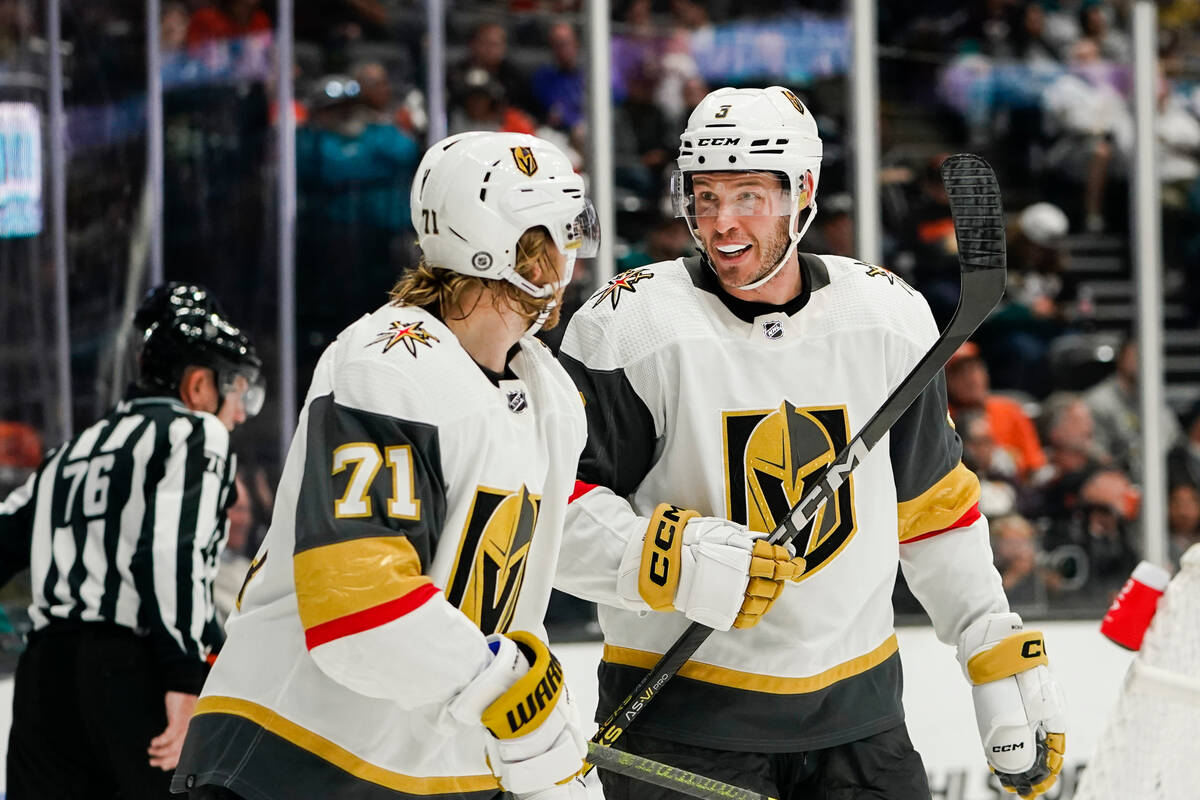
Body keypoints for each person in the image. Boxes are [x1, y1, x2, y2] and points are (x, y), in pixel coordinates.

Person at [555, 86, 1067, 800]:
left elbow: (931, 507)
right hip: (680, 722)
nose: (722, 223)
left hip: (859, 719)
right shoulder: (628, 327)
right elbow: (552, 511)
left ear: (804, 190)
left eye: (747, 197)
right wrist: (667, 558)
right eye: (705, 198)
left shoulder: (886, 317)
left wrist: (990, 646)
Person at [172, 132, 632, 800]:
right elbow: (361, 605)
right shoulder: (389, 365)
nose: (572, 259)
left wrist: (664, 555)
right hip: (291, 761)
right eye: (560, 233)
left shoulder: (546, 392)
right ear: (517, 249)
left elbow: (532, 550)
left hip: (420, 769)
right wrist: (513, 703)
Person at [0, 282, 263, 799]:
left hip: (42, 682)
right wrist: (186, 679)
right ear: (197, 386)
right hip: (130, 673)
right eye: (237, 391)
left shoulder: (71, 451)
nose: (239, 412)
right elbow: (172, 554)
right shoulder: (195, 433)